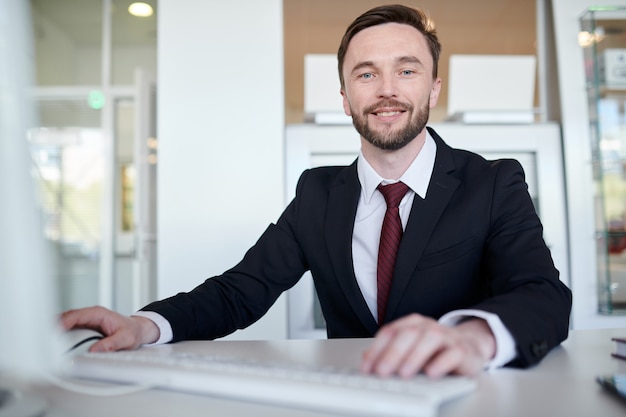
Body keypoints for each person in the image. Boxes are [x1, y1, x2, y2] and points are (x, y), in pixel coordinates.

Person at [62, 4, 572, 379]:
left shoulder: (493, 183)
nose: (387, 89)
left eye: (407, 69)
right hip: (351, 401)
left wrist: (472, 337)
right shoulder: (318, 194)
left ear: (434, 87)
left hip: (465, 401)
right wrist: (145, 325)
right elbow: (240, 291)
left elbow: (543, 295)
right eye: (366, 73)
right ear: (346, 97)